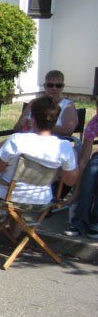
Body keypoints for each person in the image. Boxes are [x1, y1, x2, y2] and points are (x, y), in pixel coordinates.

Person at [0, 95, 78, 205]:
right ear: (55, 121)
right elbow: (70, 181)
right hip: (42, 199)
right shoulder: (64, 147)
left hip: (8, 195)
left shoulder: (17, 140)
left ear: (32, 118)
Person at [63, 97, 98, 238]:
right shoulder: (94, 123)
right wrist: (76, 193)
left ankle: (96, 221)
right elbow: (83, 161)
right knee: (91, 169)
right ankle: (80, 221)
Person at [13, 69, 78, 139]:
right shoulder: (34, 103)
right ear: (44, 86)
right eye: (50, 85)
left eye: (58, 85)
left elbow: (68, 130)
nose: (54, 88)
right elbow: (16, 129)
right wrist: (23, 124)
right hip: (27, 141)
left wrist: (38, 125)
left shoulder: (68, 105)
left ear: (63, 87)